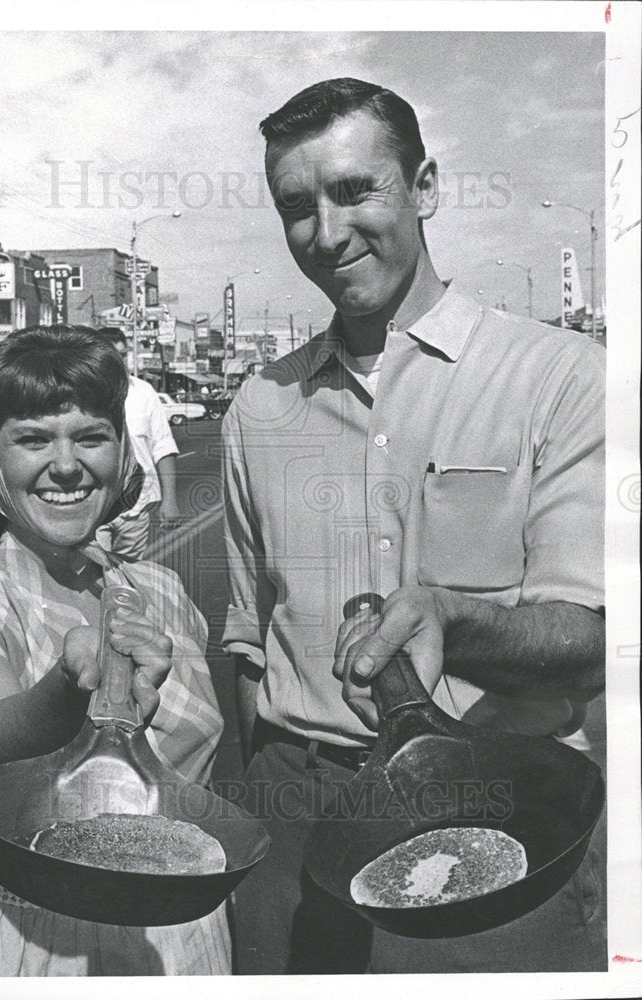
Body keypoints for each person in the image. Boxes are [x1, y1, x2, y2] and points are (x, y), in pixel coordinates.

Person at [222, 78, 605, 974]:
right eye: (296, 208)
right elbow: (246, 639)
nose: (326, 233)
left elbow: (591, 638)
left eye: (357, 190)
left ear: (423, 187)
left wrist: (452, 618)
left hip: (496, 801)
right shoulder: (256, 404)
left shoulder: (561, 377)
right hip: (297, 811)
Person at [0, 325, 230, 976]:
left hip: (185, 939)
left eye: (89, 436)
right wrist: (68, 685)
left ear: (120, 453)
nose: (65, 465)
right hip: (29, 948)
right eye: (32, 439)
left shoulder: (161, 591)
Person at [94, 328, 181, 560]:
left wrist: (170, 500)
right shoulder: (81, 393)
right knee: (92, 577)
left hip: (136, 508)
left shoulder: (144, 392)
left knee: (129, 578)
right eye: (112, 356)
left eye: (122, 355)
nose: (119, 362)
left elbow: (163, 446)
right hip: (93, 508)